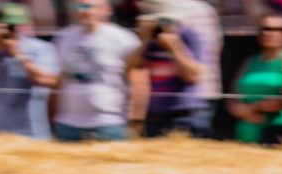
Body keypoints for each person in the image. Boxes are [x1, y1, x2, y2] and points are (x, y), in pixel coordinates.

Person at [53, 0, 141, 141]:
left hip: (109, 124)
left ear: (106, 10)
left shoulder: (124, 38)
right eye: (77, 6)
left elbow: (137, 80)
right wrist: (54, 118)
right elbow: (59, 80)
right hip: (68, 124)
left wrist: (135, 120)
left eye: (88, 6)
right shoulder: (63, 37)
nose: (83, 11)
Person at [0, 3, 58, 139]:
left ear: (26, 25)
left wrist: (18, 55)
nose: (12, 31)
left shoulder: (42, 48)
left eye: (16, 26)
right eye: (7, 26)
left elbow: (45, 80)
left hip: (29, 132)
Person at [128, 1, 206, 137]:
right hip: (154, 113)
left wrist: (174, 47)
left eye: (165, 21)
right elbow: (132, 66)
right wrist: (145, 40)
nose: (161, 26)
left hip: (183, 113)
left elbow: (193, 76)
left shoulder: (188, 35)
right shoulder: (151, 39)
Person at [227, 12, 282, 146]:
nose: (270, 33)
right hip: (245, 135)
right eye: (265, 29)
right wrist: (249, 111)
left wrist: (255, 108)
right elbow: (232, 97)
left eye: (278, 29)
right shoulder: (250, 61)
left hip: (280, 134)